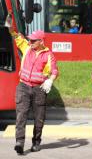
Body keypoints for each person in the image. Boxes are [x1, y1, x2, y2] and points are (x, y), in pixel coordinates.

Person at [7, 21, 58, 155]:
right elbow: (16, 35)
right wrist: (10, 26)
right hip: (23, 86)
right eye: (30, 39)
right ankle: (19, 143)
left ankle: (36, 142)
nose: (31, 42)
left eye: (34, 40)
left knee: (39, 118)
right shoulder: (27, 48)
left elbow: (54, 71)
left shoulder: (49, 55)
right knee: (21, 115)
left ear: (41, 41)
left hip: (39, 89)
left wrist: (50, 81)